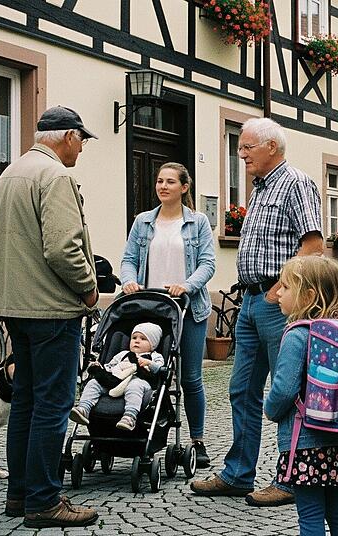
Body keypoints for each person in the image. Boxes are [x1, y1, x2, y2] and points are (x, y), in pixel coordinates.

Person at [191, 118, 323, 507]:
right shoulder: (261, 188)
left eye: (247, 147)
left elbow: (313, 245)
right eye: (240, 147)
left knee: (288, 391)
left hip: (277, 303)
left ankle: (291, 478)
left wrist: (280, 288)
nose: (241, 154)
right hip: (250, 300)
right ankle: (238, 474)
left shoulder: (295, 183)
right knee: (242, 389)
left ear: (271, 147)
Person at [0, 106, 99, 527]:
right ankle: (44, 501)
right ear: (68, 136)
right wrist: (88, 289)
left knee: (26, 401)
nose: (82, 149)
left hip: (15, 303)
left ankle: (20, 495)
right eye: (82, 140)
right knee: (53, 404)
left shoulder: (11, 172)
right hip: (51, 307)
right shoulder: (56, 176)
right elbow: (63, 247)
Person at [120, 162, 216, 466]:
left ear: (184, 187)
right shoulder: (143, 222)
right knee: (146, 371)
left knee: (190, 378)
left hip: (187, 309)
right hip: (151, 308)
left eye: (170, 182)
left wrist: (186, 285)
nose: (163, 186)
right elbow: (128, 259)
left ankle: (197, 440)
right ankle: (143, 432)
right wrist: (128, 281)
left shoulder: (197, 222)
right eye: (160, 181)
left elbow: (208, 263)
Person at [265, 256, 338, 536]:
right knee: (337, 509)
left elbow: (284, 389)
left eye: (285, 287)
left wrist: (270, 410)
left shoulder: (297, 335)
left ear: (308, 296)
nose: (277, 293)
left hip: (304, 443)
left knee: (310, 514)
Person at [70, 323, 165, 431]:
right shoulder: (123, 354)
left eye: (143, 339)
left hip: (140, 381)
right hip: (115, 382)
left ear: (153, 344)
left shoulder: (155, 356)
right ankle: (84, 408)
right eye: (134, 338)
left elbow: (160, 369)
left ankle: (130, 416)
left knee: (134, 386)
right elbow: (111, 367)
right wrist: (100, 367)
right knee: (94, 383)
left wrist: (149, 363)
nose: (137, 341)